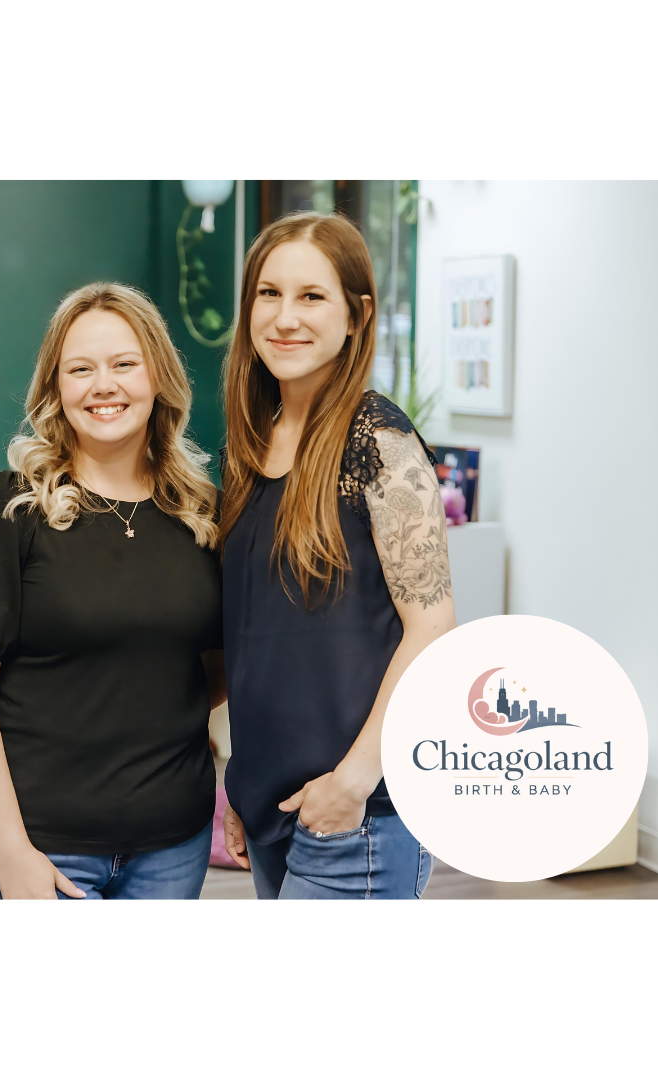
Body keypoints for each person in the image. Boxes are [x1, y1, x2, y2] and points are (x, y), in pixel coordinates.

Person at [0, 282, 224, 900]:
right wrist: (10, 851)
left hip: (174, 842)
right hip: (42, 843)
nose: (103, 385)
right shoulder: (8, 509)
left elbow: (213, 670)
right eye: (80, 369)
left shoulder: (202, 514)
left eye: (124, 364)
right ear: (56, 390)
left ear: (159, 378)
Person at [219, 213, 455, 900]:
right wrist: (243, 782)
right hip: (274, 806)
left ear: (358, 316)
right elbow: (259, 643)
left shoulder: (379, 442)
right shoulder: (250, 445)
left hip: (358, 815)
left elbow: (432, 628)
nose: (285, 317)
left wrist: (354, 780)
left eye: (312, 296)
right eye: (269, 294)